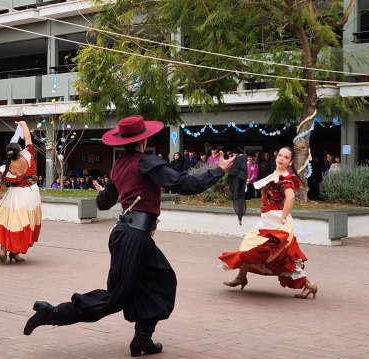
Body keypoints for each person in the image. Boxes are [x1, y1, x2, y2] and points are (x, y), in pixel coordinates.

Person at [22, 115, 235, 356]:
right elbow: (184, 184)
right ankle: (52, 313)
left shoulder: (118, 167)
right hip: (134, 237)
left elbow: (103, 203)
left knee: (161, 280)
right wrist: (218, 169)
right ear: (143, 141)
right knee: (115, 298)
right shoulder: (147, 163)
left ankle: (142, 338)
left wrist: (103, 192)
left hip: (127, 235)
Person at [219, 146, 318, 299]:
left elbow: (290, 197)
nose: (281, 158)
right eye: (280, 155)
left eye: (286, 157)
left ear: (290, 162)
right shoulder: (274, 175)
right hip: (266, 220)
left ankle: (309, 285)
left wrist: (284, 216)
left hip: (276, 222)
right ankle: (241, 277)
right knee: (249, 246)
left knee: (281, 256)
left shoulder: (285, 178)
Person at [0, 121, 42, 263]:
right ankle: (14, 252)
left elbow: (0, 188)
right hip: (30, 195)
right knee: (24, 225)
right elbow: (28, 138)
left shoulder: (6, 168)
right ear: (19, 151)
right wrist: (23, 124)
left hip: (13, 196)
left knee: (10, 222)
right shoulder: (28, 156)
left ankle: (5, 246)